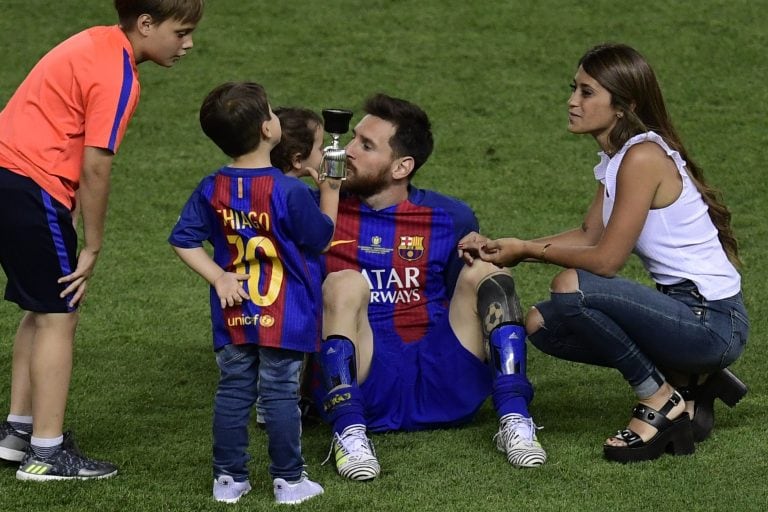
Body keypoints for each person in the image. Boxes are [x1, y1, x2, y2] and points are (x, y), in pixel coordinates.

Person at [459, 43, 749, 463]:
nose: (572, 101)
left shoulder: (643, 158)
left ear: (623, 106)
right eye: (573, 88)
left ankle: (661, 398)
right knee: (542, 325)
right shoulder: (617, 157)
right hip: (684, 311)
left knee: (570, 287)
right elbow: (588, 234)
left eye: (587, 92)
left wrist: (526, 251)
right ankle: (686, 382)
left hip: (713, 323)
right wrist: (511, 246)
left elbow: (607, 260)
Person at [0, 0, 204, 481]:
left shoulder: (93, 40)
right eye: (182, 32)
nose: (189, 44)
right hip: (30, 184)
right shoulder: (119, 75)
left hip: (9, 177)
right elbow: (96, 166)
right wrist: (93, 244)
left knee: (40, 307)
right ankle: (47, 455)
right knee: (58, 313)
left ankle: (18, 433)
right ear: (147, 24)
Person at [313, 93, 547, 482]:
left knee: (488, 274)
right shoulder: (320, 211)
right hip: (367, 370)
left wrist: (480, 252)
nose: (349, 151)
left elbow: (469, 297)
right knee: (344, 283)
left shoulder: (449, 216)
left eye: (366, 145)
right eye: (353, 139)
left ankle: (515, 417)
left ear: (402, 166)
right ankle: (348, 431)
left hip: (442, 373)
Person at [169, 82, 341, 504]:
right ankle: (289, 480)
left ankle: (228, 481)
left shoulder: (212, 187)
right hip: (286, 311)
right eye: (273, 112)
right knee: (280, 391)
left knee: (233, 390)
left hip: (234, 308)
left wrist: (219, 278)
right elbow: (321, 238)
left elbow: (183, 240)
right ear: (268, 130)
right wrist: (331, 192)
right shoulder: (290, 191)